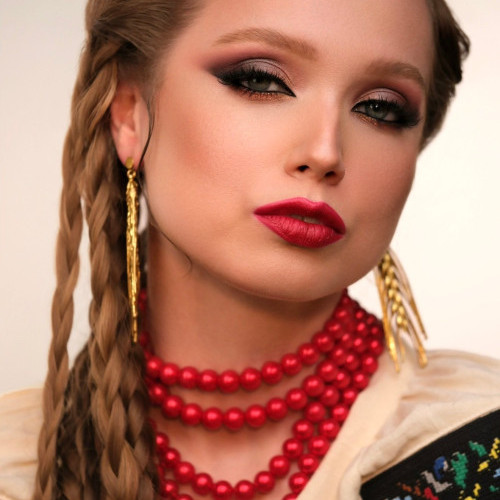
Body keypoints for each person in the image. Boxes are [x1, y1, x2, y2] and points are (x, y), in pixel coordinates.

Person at [1, 1, 499, 499]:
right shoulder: (15, 468)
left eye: (380, 108)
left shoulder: (472, 433)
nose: (325, 152)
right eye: (261, 80)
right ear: (129, 113)